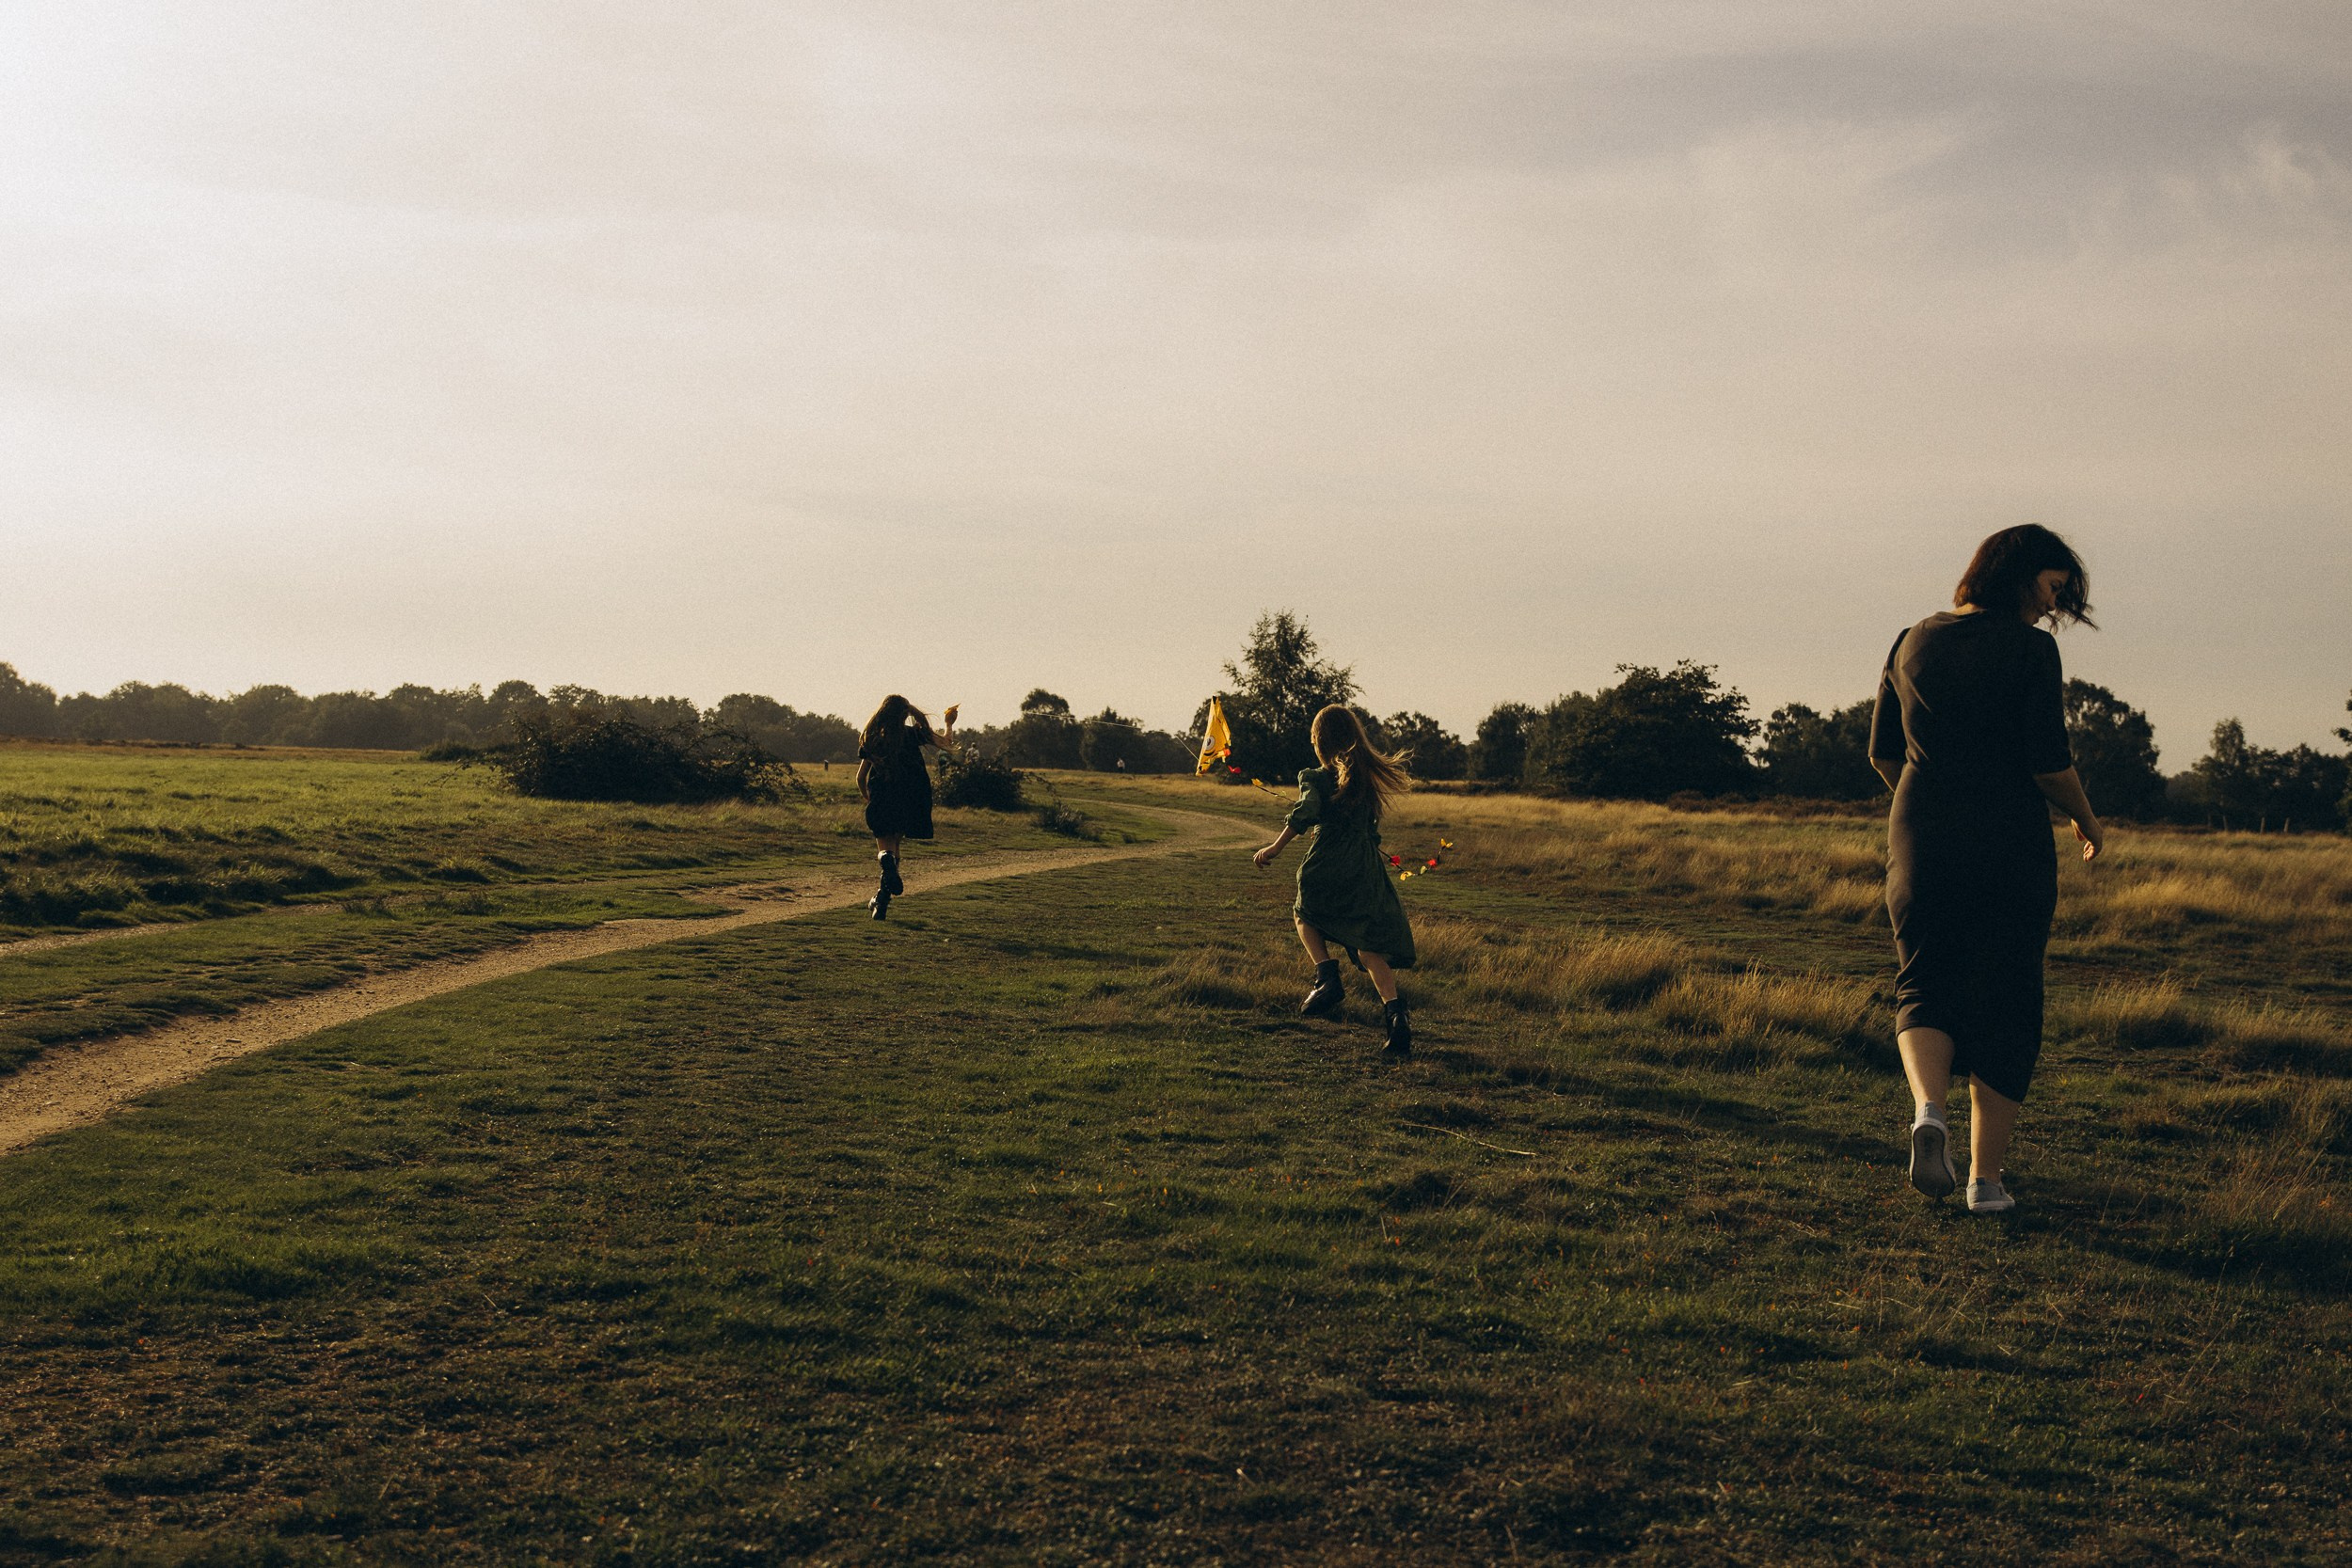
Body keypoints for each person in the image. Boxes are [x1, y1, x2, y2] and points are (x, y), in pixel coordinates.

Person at [1870, 525, 2105, 1214]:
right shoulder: (2031, 650)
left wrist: (1929, 808)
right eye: (2053, 588)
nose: (2052, 606)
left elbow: (1885, 755)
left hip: (1919, 837)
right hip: (2008, 842)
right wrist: (2088, 820)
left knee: (1924, 980)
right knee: (2008, 998)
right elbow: (2047, 762)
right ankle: (1985, 1182)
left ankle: (1928, 1110)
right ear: (2021, 574)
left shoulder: (1911, 637)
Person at [1253, 705, 1418, 1056]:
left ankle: (1327, 977)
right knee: (1368, 946)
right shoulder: (1368, 779)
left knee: (1304, 911)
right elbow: (1371, 830)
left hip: (1329, 859)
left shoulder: (1316, 777)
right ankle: (1396, 1017)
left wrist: (1275, 847)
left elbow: (1308, 811)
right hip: (1364, 866)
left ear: (1320, 741)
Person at [856, 695, 958, 919]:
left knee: (886, 847)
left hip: (883, 796)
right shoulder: (913, 734)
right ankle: (881, 900)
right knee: (896, 846)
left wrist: (868, 797)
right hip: (911, 796)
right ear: (905, 714)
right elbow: (946, 743)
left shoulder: (873, 738)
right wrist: (949, 723)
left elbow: (860, 777)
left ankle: (885, 864)